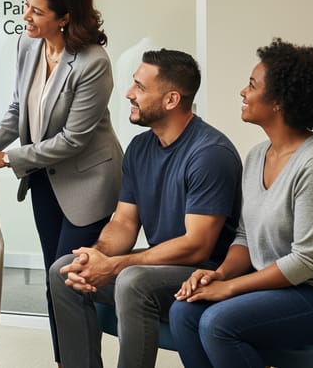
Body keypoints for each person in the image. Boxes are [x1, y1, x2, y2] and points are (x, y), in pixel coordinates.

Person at [169, 39, 313, 368]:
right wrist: (219, 275)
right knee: (184, 312)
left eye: (251, 85)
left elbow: (306, 262)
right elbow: (245, 236)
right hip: (284, 289)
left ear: (278, 101)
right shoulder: (255, 157)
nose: (242, 92)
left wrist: (231, 288)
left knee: (218, 323)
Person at [0, 0, 123, 363]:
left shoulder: (93, 62)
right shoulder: (28, 45)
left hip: (88, 181)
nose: (25, 17)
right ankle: (66, 360)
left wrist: (5, 157)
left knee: (71, 279)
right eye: (25, 6)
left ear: (65, 17)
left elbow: (74, 140)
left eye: (36, 11)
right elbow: (19, 110)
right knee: (54, 280)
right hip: (45, 179)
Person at [49, 49, 243, 368]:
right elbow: (124, 223)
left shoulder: (210, 154)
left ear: (170, 100)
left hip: (204, 273)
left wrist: (115, 266)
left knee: (132, 279)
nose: (128, 93)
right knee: (65, 270)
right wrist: (95, 255)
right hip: (157, 266)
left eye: (139, 87)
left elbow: (196, 246)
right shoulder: (140, 148)